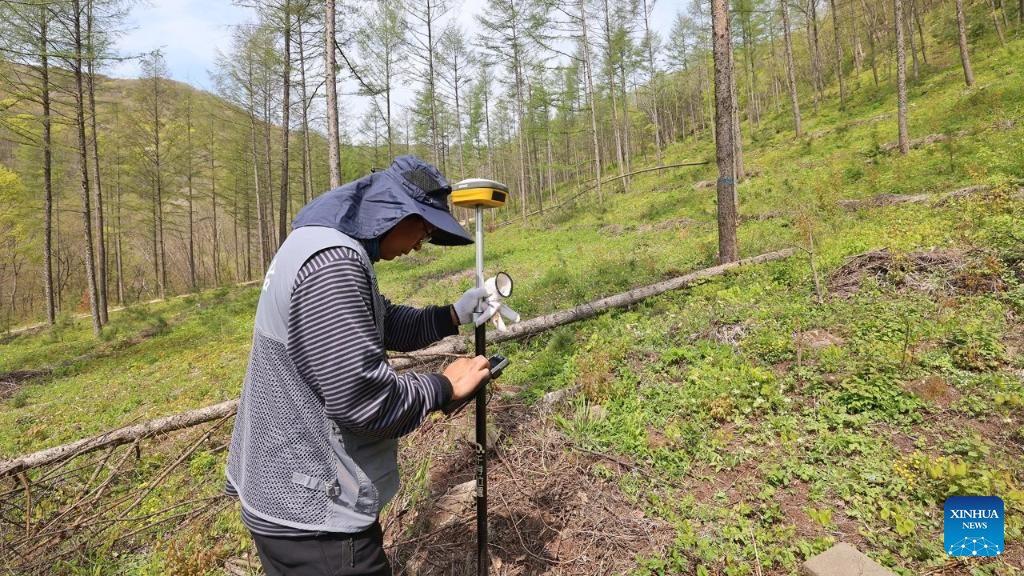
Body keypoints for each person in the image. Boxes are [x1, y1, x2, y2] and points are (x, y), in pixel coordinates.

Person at [225, 155, 493, 575]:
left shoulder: (315, 242)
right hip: (314, 514)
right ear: (397, 214)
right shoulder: (334, 264)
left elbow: (378, 322)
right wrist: (443, 386)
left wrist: (451, 315)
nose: (420, 244)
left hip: (284, 492)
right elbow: (366, 403)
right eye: (424, 229)